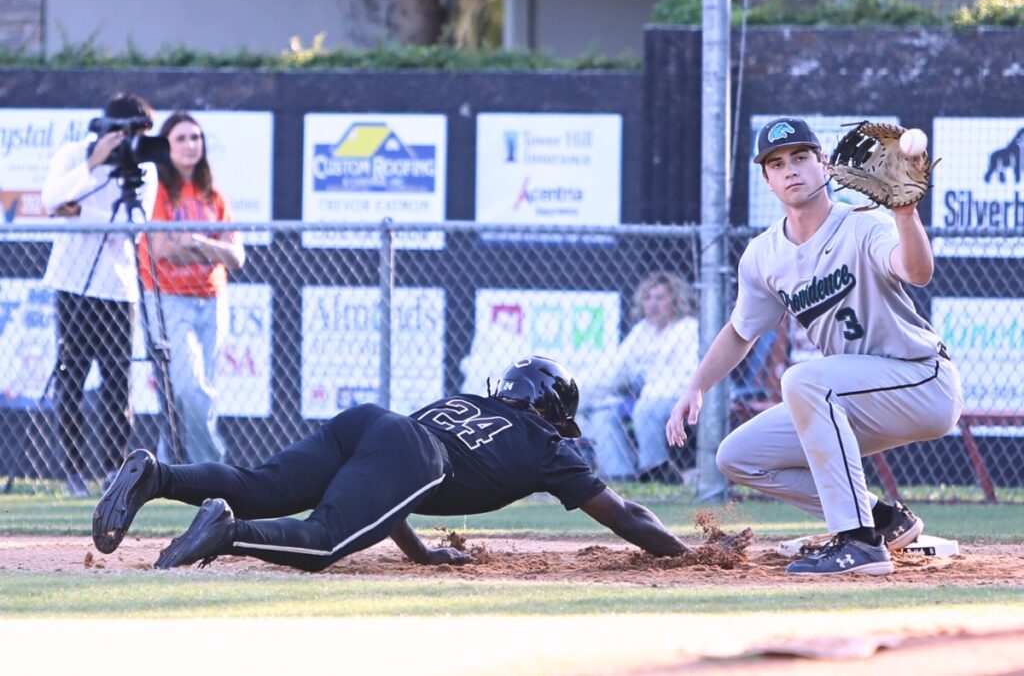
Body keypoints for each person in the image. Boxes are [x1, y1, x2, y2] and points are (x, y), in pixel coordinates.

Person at [666, 117, 963, 576]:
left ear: (824, 164)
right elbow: (742, 331)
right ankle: (882, 520)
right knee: (739, 456)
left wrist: (905, 215)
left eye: (801, 157)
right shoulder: (764, 254)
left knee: (803, 379)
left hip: (921, 381)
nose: (791, 169)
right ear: (766, 180)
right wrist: (695, 387)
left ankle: (858, 543)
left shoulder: (863, 226)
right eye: (777, 163)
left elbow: (916, 271)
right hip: (853, 397)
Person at [93, 356, 692, 571]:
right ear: (552, 410)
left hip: (375, 422)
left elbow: (389, 481)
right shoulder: (547, 446)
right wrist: (692, 556)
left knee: (261, 484)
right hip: (408, 451)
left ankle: (156, 475)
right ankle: (227, 534)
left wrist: (422, 552)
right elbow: (626, 515)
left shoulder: (465, 401)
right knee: (325, 541)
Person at [40, 93, 158, 497]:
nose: (127, 142)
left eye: (137, 134)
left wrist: (77, 213)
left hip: (119, 287)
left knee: (117, 381)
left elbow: (134, 228)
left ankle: (113, 469)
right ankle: (73, 470)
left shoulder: (144, 166)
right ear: (106, 128)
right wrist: (91, 167)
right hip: (72, 282)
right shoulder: (74, 154)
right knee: (71, 376)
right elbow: (51, 200)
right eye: (122, 133)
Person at [137, 111, 245, 465]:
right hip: (167, 299)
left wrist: (196, 241)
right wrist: (211, 246)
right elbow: (162, 250)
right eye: (180, 138)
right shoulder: (158, 191)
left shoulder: (214, 196)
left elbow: (236, 256)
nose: (189, 145)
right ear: (166, 145)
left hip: (212, 300)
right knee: (188, 389)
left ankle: (168, 471)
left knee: (201, 395)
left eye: (195, 138)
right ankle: (217, 469)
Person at [577, 271, 698, 483]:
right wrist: (578, 391)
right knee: (603, 413)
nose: (653, 304)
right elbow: (614, 372)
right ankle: (620, 478)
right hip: (646, 397)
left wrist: (648, 393)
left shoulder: (688, 328)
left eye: (660, 298)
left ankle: (655, 477)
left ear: (675, 300)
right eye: (648, 298)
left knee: (646, 410)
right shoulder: (642, 330)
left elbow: (688, 377)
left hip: (677, 396)